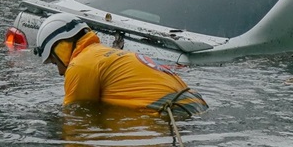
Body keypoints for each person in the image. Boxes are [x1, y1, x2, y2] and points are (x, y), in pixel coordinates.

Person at [34, 13, 208, 117]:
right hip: (195, 103)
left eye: (55, 61)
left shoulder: (80, 65)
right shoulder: (104, 54)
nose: (60, 72)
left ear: (61, 46)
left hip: (172, 112)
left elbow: (75, 121)